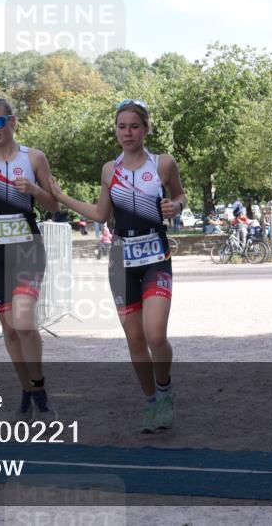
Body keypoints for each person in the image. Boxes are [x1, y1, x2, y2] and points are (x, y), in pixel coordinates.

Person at [50, 98, 185, 433]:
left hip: (156, 257)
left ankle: (166, 392)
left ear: (146, 129)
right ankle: (151, 401)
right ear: (116, 130)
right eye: (122, 127)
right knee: (136, 340)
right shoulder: (111, 170)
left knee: (155, 334)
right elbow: (100, 215)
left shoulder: (163, 164)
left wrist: (176, 207)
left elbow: (181, 197)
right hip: (121, 260)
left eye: (134, 126)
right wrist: (60, 195)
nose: (127, 133)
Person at [0, 98, 60, 421]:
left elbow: (54, 206)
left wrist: (33, 189)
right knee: (10, 329)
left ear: (12, 121)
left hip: (27, 246)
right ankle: (26, 390)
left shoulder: (34, 158)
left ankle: (40, 390)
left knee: (25, 323)